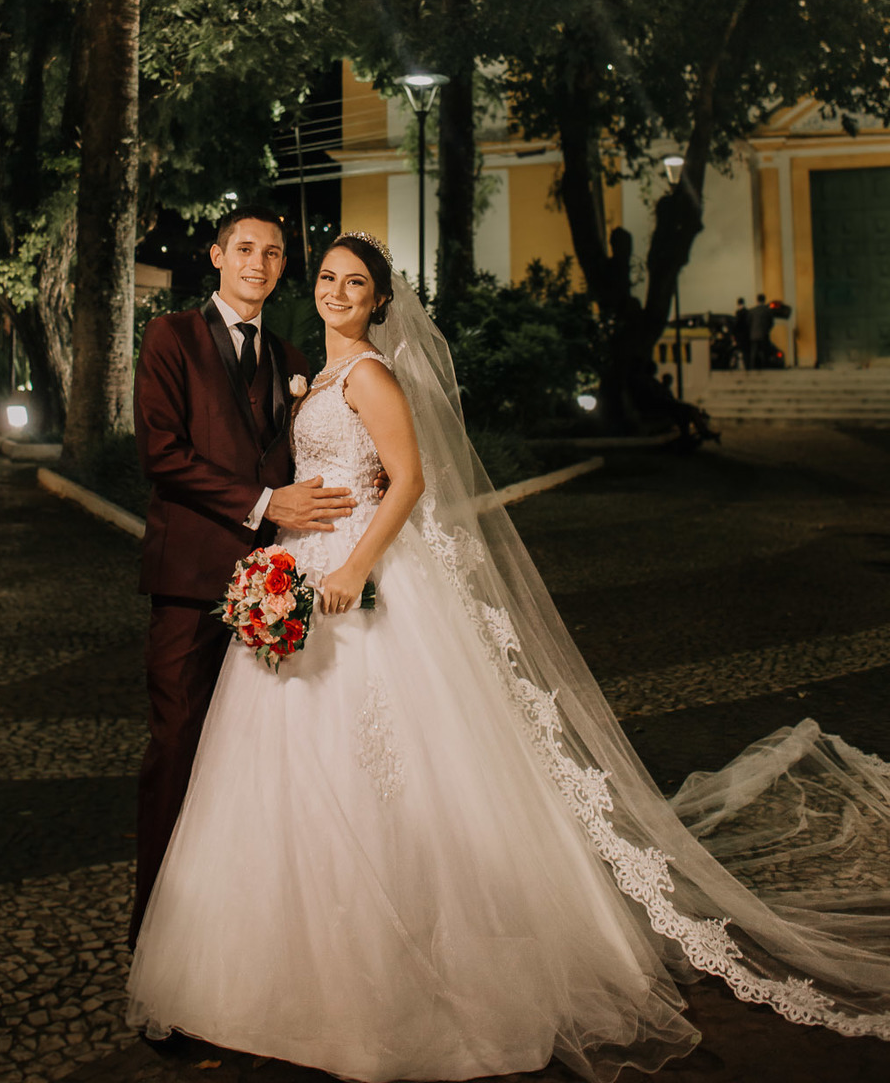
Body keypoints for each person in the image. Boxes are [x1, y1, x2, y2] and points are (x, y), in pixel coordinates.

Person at [128, 233, 890, 1081]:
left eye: (355, 282)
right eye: (327, 277)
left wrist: (353, 564)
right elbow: (216, 455)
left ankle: (388, 968)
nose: (333, 290)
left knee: (381, 768)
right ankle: (256, 956)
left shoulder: (360, 371)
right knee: (256, 767)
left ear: (380, 301)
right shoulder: (289, 363)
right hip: (286, 567)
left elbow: (408, 480)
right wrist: (287, 531)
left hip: (348, 574)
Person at [128, 205, 354, 948]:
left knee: (259, 759)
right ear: (218, 256)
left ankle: (240, 937)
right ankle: (155, 934)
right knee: (177, 748)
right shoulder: (170, 336)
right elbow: (161, 452)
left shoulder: (291, 356)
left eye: (274, 253)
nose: (260, 262)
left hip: (275, 585)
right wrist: (263, 502)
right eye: (246, 248)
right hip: (191, 579)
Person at [748, 292, 775, 369]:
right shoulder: (768, 311)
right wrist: (766, 330)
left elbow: (748, 322)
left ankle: (752, 367)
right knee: (764, 352)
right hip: (764, 335)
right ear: (764, 300)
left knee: (754, 352)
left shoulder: (752, 311)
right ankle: (765, 367)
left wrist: (752, 330)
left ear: (757, 300)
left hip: (754, 335)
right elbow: (771, 323)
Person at [733, 297, 751, 369]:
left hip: (740, 337)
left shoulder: (738, 313)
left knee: (740, 351)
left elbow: (736, 325)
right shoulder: (747, 312)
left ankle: (740, 366)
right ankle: (747, 365)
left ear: (738, 304)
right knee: (746, 352)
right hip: (747, 336)